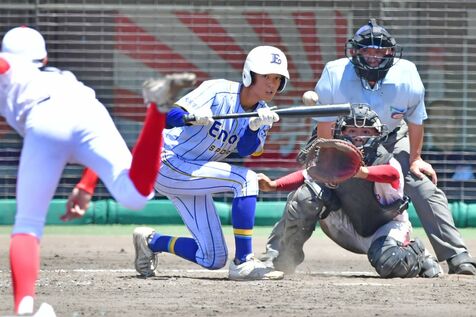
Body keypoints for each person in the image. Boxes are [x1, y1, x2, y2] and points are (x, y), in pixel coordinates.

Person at [0, 26, 193, 315]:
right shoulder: (61, 78)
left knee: (28, 225)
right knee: (135, 195)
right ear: (44, 58)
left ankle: (24, 310)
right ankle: (157, 109)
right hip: (89, 110)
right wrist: (88, 184)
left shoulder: (11, 67)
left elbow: (6, 65)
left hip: (44, 117)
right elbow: (77, 129)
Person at [310, 18, 475, 275]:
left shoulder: (407, 75)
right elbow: (325, 126)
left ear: (390, 52)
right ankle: (278, 255)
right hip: (342, 137)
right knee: (310, 189)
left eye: (380, 50)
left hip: (390, 136)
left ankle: (457, 255)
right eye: (367, 49)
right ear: (355, 51)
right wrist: (329, 157)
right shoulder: (335, 72)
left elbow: (415, 121)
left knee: (421, 184)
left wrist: (417, 158)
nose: (374, 56)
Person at [130, 45, 288, 281]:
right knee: (246, 180)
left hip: (193, 173)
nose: (272, 84)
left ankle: (151, 241)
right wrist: (188, 118)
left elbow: (246, 149)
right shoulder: (217, 90)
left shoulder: (264, 114)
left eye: (277, 78)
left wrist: (254, 127)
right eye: (266, 76)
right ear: (249, 75)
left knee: (212, 258)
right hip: (165, 161)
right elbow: (164, 117)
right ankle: (244, 261)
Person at [259, 104, 442, 278]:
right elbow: (306, 175)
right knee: (305, 196)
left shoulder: (386, 159)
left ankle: (417, 254)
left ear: (378, 134)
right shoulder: (335, 159)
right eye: (352, 131)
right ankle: (286, 258)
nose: (358, 137)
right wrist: (273, 185)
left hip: (384, 230)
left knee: (390, 262)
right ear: (341, 133)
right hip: (345, 225)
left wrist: (362, 172)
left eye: (366, 132)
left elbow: (391, 174)